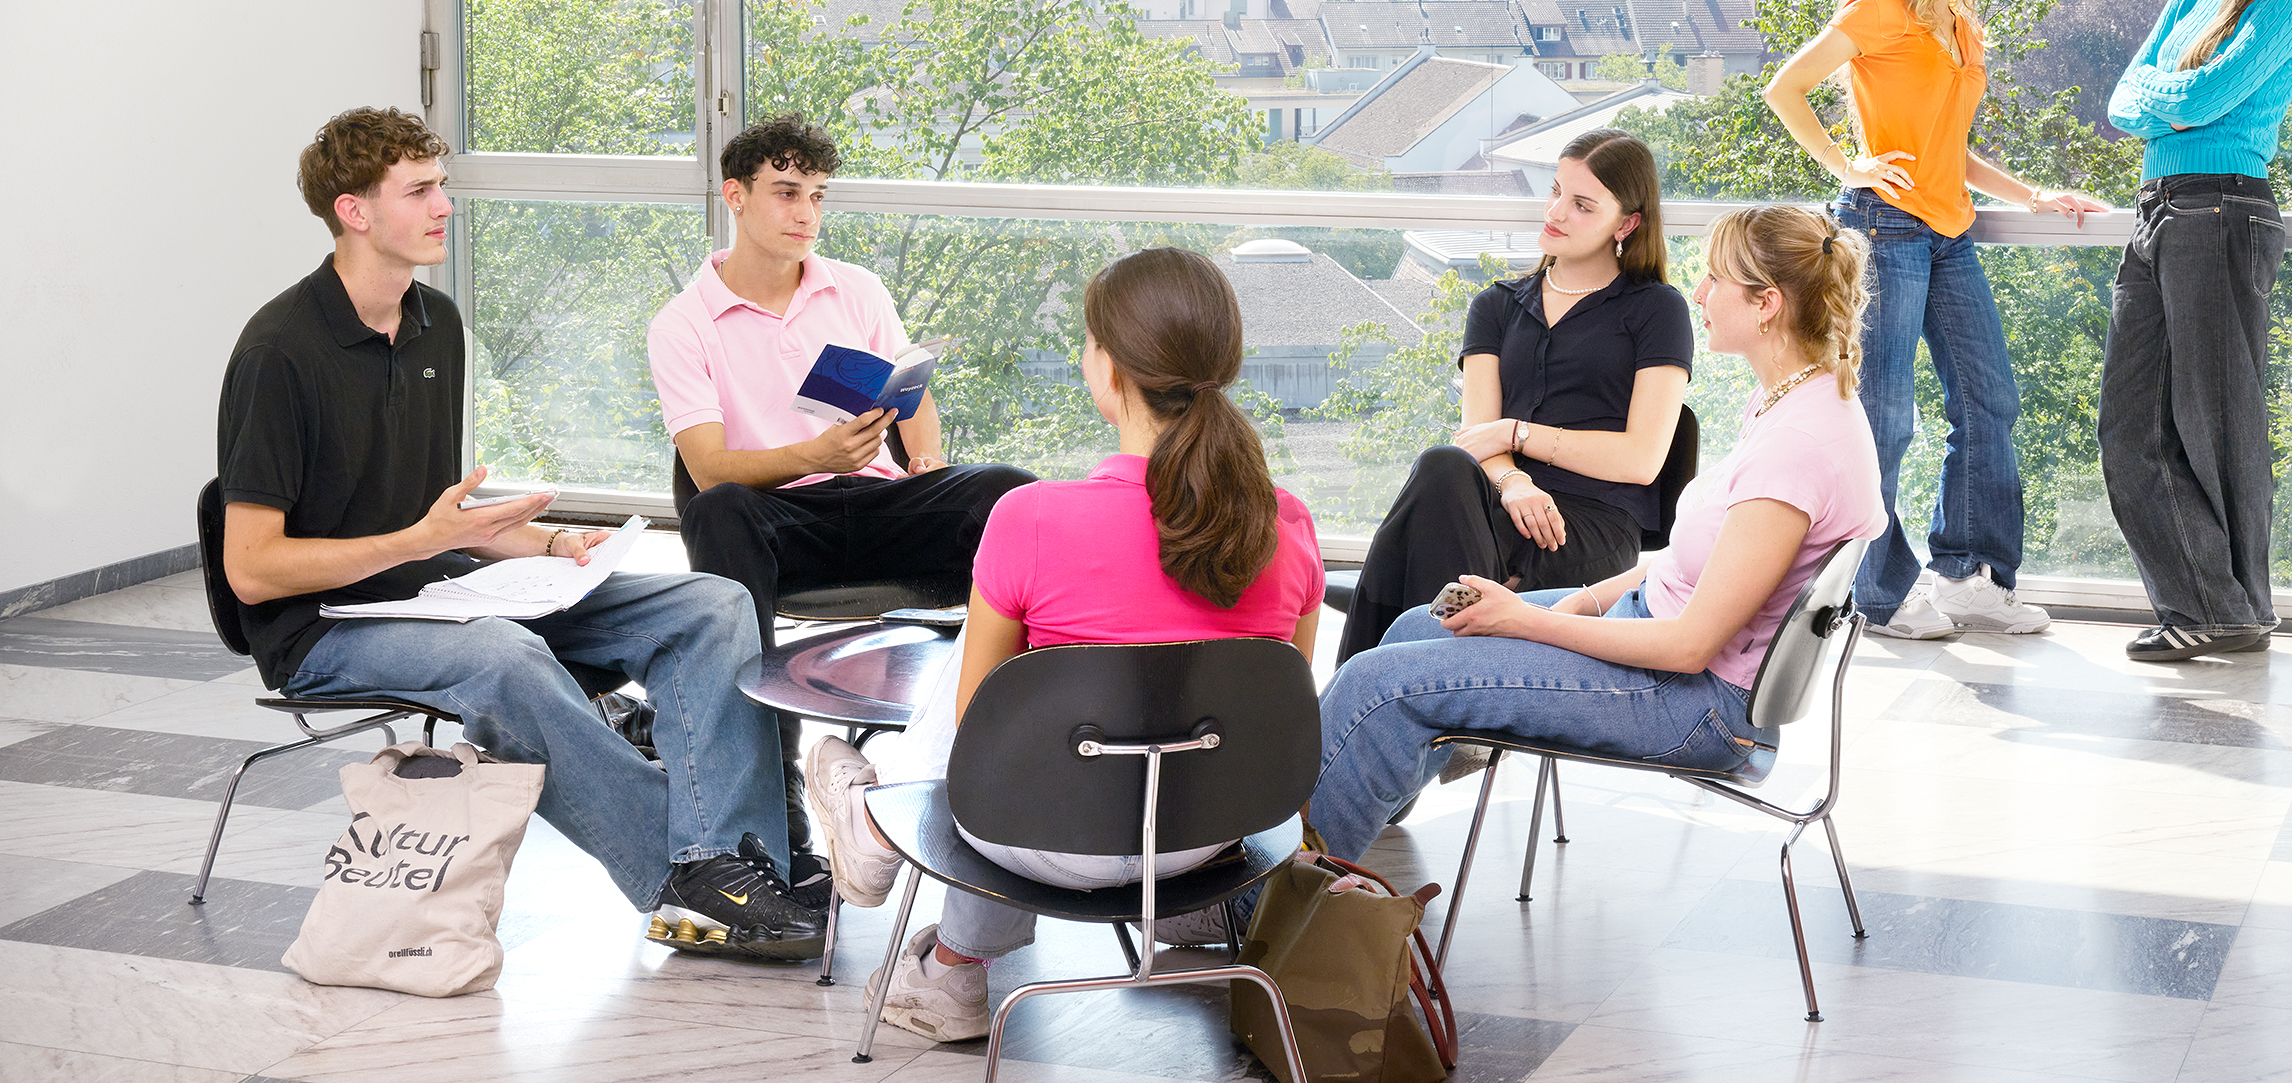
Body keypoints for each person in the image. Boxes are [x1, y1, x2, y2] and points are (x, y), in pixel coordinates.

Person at [219, 108, 820, 960]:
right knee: (501, 655)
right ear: (354, 211)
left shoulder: (435, 324)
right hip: (321, 629)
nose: (445, 207)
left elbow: (433, 518)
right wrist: (421, 542)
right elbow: (250, 571)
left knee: (712, 604)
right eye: (421, 190)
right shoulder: (279, 352)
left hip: (437, 592)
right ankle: (686, 878)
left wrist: (542, 545)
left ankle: (744, 862)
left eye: (444, 186)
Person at [801, 246, 1325, 1044]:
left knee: (993, 675)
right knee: (1068, 679)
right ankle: (890, 848)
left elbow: (977, 736)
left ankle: (890, 856)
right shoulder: (1288, 524)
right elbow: (1281, 720)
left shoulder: (1031, 516)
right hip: (1207, 842)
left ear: (1109, 369)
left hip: (1037, 833)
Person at [1303, 206, 1885, 862]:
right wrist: (1583, 599)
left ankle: (1271, 905)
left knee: (1374, 683)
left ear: (1767, 304)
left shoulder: (1799, 447)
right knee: (1416, 624)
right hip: (1656, 638)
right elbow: (1692, 563)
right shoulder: (1789, 398)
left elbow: (1691, 646)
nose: (1699, 294)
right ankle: (1347, 825)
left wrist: (1525, 619)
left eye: (1715, 279)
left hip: (1696, 703)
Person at [646, 113, 1036, 897]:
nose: (806, 215)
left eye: (817, 196)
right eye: (787, 193)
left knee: (1010, 493)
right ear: (736, 195)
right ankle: (772, 801)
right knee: (718, 510)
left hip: (877, 502)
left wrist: (924, 456)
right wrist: (812, 457)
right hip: (777, 519)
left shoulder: (855, 288)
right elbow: (709, 464)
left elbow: (909, 398)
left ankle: (1021, 759)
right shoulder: (682, 323)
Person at [1763, 0, 2106, 640]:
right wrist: (1846, 164)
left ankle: (1970, 575)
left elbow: (1951, 146)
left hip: (1948, 234)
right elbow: (1786, 87)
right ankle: (1877, 596)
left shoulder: (1959, 21)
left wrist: (2031, 195)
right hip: (1883, 228)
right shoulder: (1878, 10)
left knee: (1990, 402)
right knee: (1885, 418)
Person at [1336, 128, 1693, 667]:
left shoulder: (1657, 310)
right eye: (1554, 191)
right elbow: (1474, 437)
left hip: (1589, 527)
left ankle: (1363, 697)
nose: (1555, 211)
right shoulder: (1496, 306)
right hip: (1494, 507)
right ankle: (1431, 706)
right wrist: (1514, 479)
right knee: (1444, 467)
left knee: (1418, 549)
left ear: (1627, 223)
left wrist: (1516, 433)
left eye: (1581, 205)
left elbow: (1642, 460)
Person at [2100, 0, 2292, 662]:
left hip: (2225, 211)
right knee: (2127, 426)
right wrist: (2175, 103)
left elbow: (2203, 97)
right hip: (2157, 209)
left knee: (2218, 421)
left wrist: (2173, 100)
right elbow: (2127, 103)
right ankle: (2211, 603)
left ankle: (2232, 608)